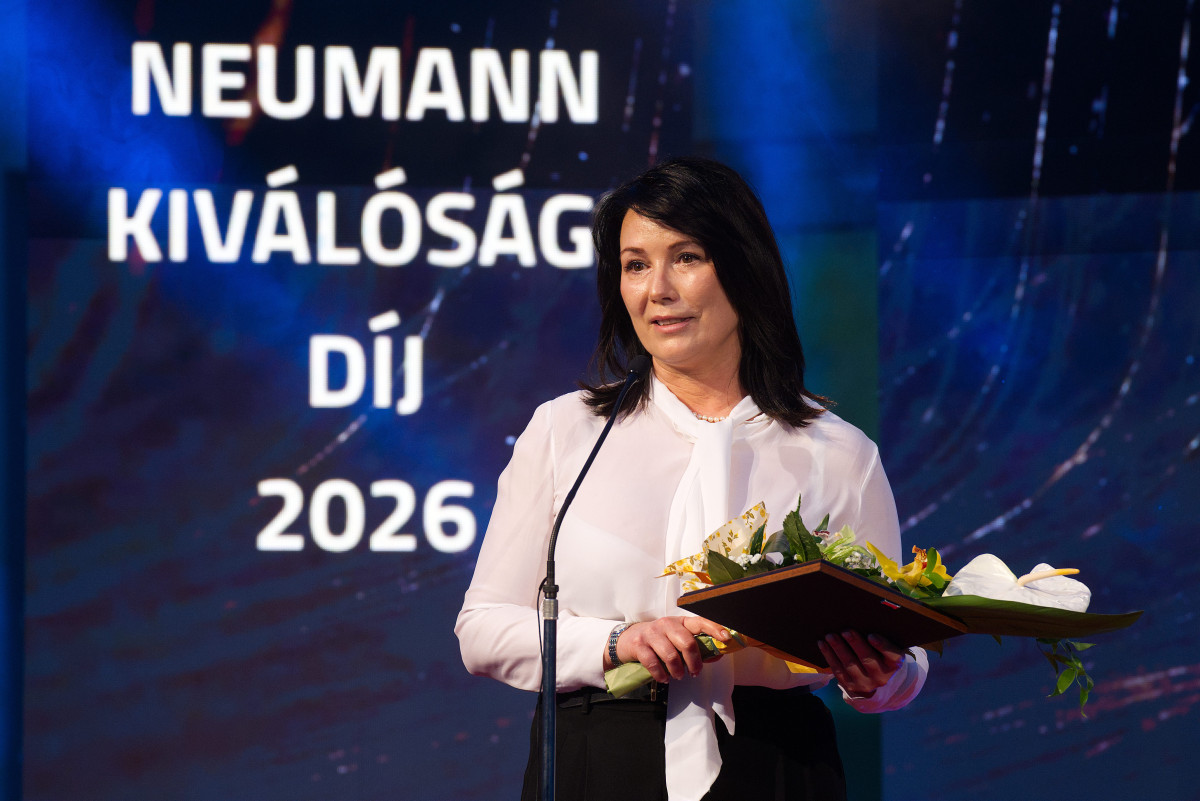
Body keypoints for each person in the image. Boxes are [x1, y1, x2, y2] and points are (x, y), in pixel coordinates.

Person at [455, 157, 928, 801]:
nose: (657, 289)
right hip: (598, 759)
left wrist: (881, 676)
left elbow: (899, 651)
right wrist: (617, 642)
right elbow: (483, 630)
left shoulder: (838, 452)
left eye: (686, 257)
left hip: (779, 765)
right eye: (635, 265)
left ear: (744, 268)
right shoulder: (568, 431)